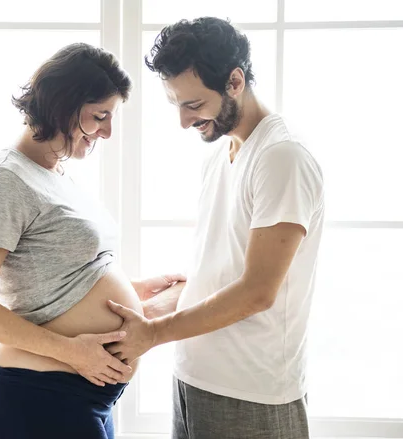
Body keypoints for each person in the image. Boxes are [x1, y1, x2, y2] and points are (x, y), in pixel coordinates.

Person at [0, 42, 185, 439]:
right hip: (36, 399)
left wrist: (132, 291)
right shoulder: (7, 181)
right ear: (63, 105)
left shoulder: (55, 175)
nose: (107, 131)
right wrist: (70, 350)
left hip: (80, 397)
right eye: (100, 116)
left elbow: (60, 276)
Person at [105, 17, 325, 439]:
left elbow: (258, 291)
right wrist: (147, 306)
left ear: (235, 81)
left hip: (251, 394)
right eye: (176, 105)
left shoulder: (282, 157)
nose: (184, 122)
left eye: (193, 105)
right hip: (193, 381)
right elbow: (220, 272)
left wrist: (152, 334)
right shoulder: (220, 156)